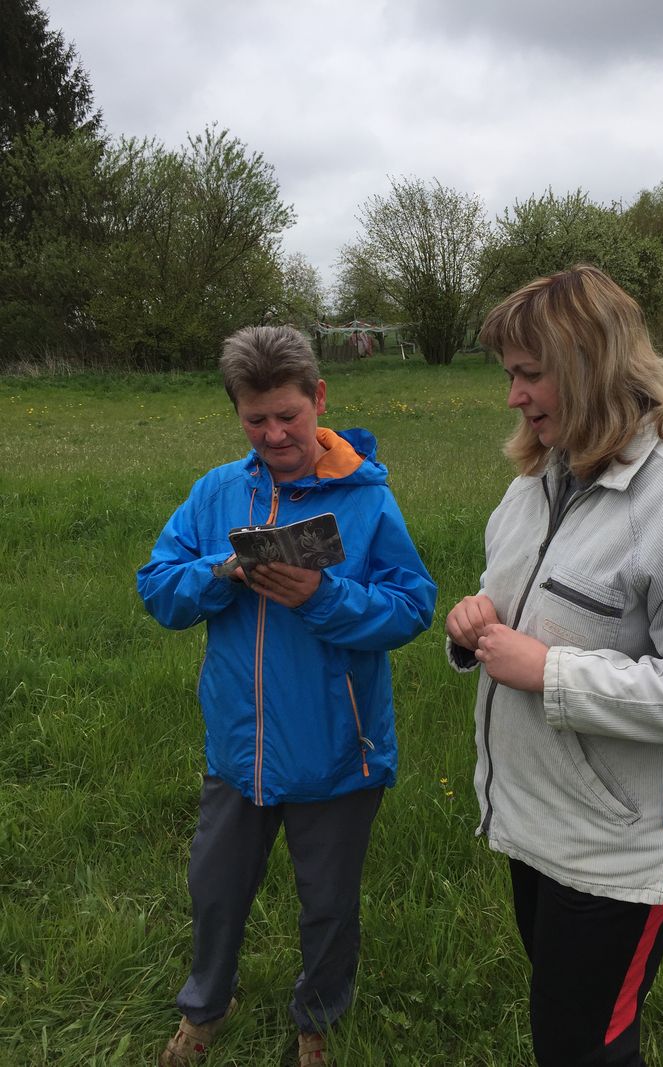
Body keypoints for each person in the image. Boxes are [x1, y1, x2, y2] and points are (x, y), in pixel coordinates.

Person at [445, 264, 663, 1067]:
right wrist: (475, 620)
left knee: (584, 1048)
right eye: (509, 374)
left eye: (530, 373)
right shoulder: (540, 477)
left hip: (622, 851)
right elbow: (515, 598)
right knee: (565, 1033)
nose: (514, 396)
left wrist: (549, 672)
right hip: (538, 825)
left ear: (589, 362)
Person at [138, 325, 436, 1067]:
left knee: (328, 904)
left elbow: (412, 606)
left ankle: (318, 1020)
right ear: (237, 412)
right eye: (255, 419)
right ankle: (204, 1009)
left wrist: (321, 596)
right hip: (239, 750)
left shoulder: (367, 497)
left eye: (288, 415)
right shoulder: (216, 492)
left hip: (339, 751)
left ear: (319, 398)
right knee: (214, 891)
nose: (273, 434)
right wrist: (222, 572)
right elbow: (158, 589)